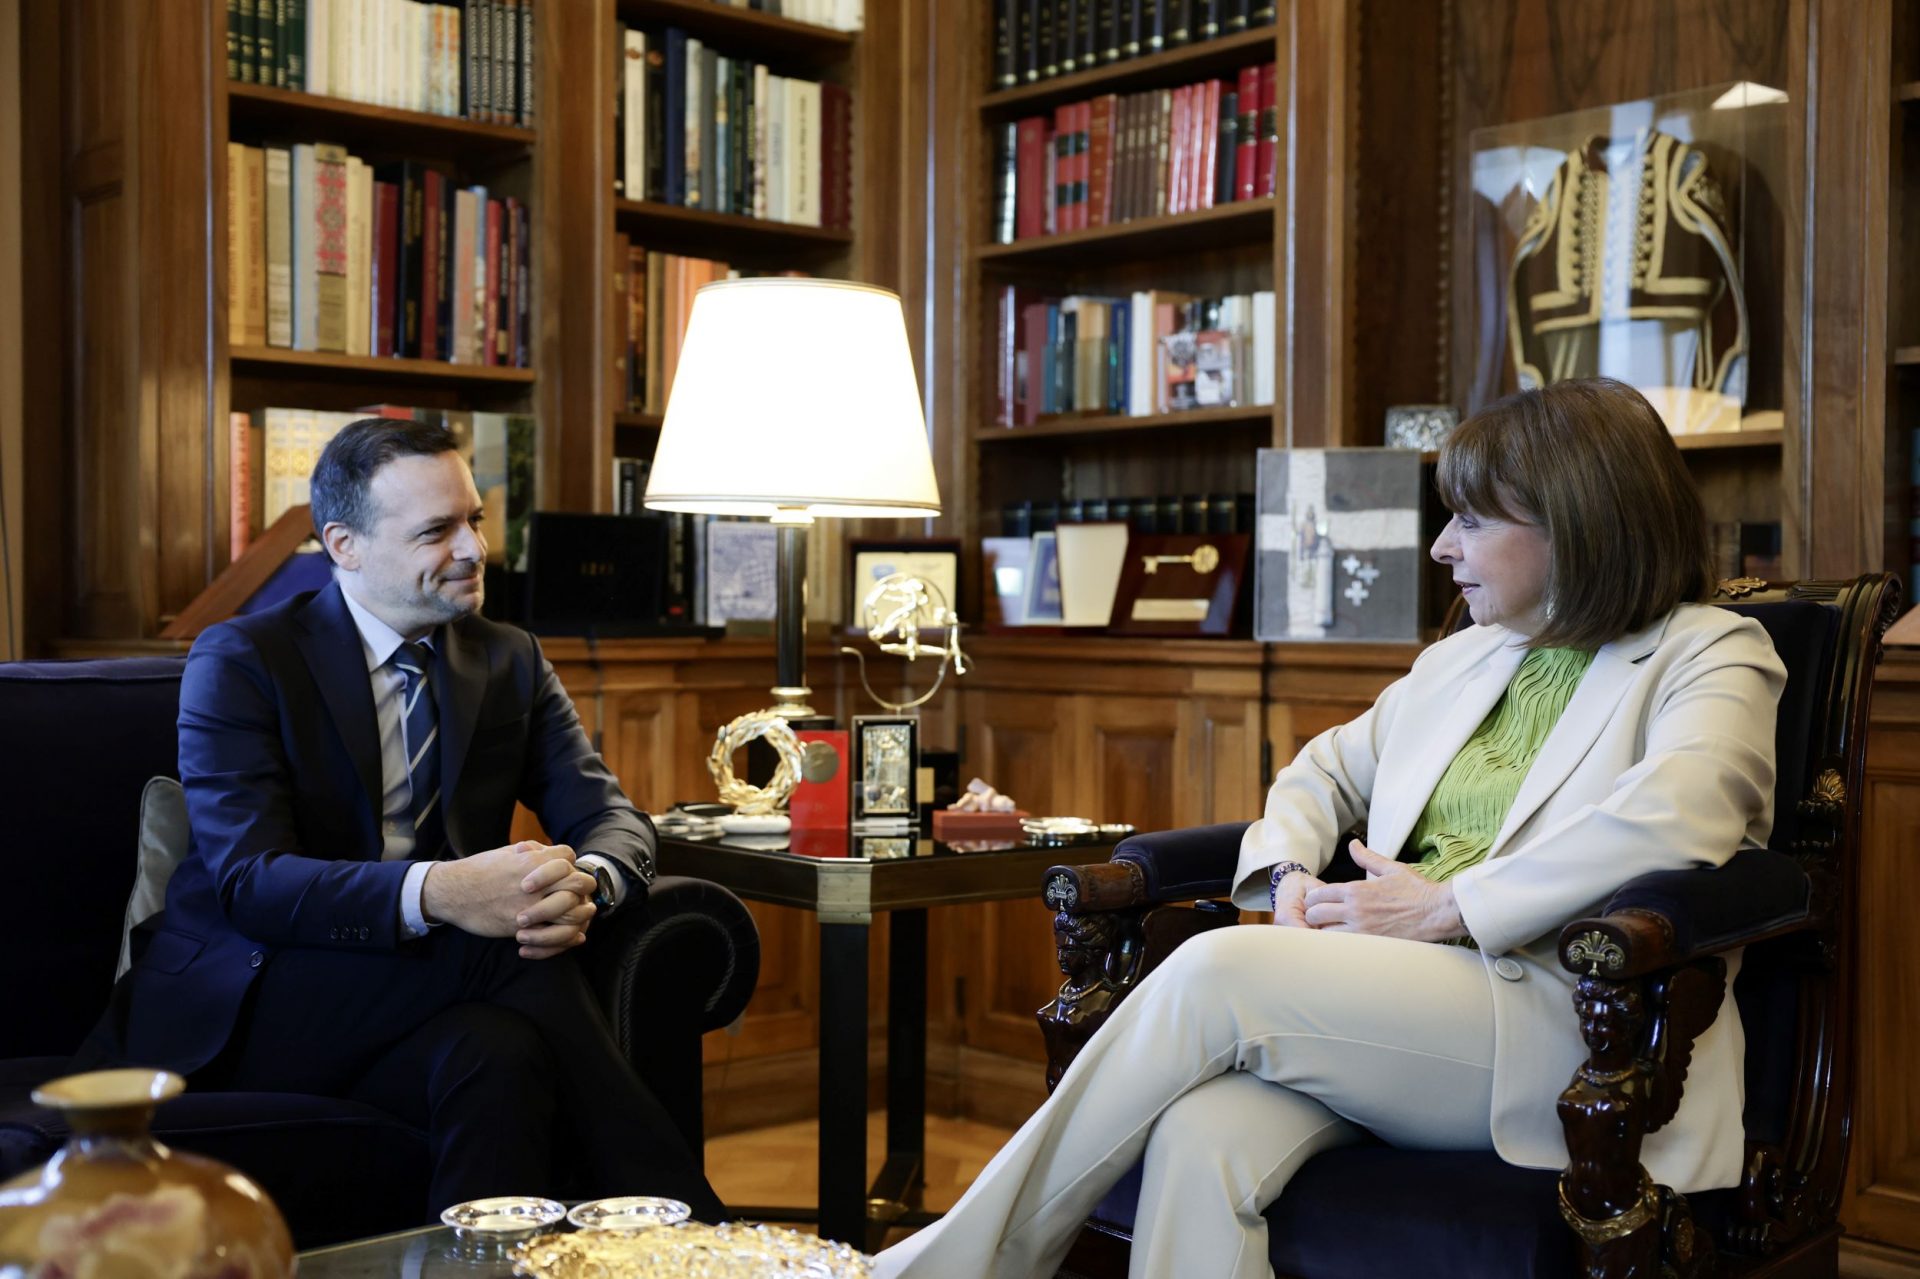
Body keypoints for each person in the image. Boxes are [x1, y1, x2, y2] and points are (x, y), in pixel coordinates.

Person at [875, 377, 1786, 1279]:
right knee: (1202, 1135)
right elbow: (1320, 771)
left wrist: (1448, 906)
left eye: (1471, 521)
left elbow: (1684, 810)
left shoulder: (1711, 652)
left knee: (1217, 968)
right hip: (1396, 1007)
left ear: (1577, 523)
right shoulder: (1464, 659)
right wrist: (1286, 880)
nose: (1440, 546)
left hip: (1568, 1027)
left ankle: (949, 1268)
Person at [101, 418, 725, 1222]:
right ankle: (698, 1226)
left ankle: (483, 1267)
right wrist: (443, 892)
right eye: (436, 530)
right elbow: (251, 882)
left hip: (419, 988)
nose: (473, 549)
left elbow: (609, 814)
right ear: (345, 545)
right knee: (493, 942)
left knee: (498, 1052)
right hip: (254, 992)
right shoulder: (245, 659)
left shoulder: (508, 657)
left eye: (475, 519)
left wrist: (589, 884)